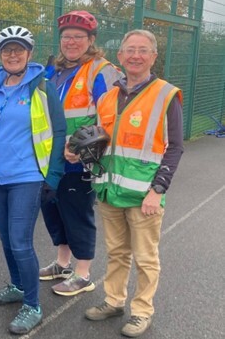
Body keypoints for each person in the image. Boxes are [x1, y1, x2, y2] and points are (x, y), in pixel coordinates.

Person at [80, 29, 184, 338]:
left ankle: (142, 312)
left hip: (144, 197)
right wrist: (80, 154)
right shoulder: (109, 97)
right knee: (116, 252)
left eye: (142, 50)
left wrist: (158, 190)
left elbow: (175, 146)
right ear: (121, 56)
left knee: (145, 257)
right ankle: (113, 300)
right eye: (129, 50)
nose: (135, 56)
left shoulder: (166, 95)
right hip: (109, 191)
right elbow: (102, 141)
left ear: (153, 57)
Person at [0, 26, 66, 335]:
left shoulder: (41, 88)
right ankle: (18, 285)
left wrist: (53, 175)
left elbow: (59, 132)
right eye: (7, 49)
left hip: (26, 177)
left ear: (29, 53)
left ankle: (32, 305)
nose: (13, 54)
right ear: (0, 55)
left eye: (19, 49)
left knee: (21, 242)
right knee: (6, 239)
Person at [39, 10, 123, 296]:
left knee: (77, 214)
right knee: (54, 212)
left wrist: (79, 149)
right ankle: (63, 263)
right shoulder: (52, 70)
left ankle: (83, 273)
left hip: (79, 161)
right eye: (66, 37)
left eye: (78, 37)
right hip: (50, 160)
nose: (71, 42)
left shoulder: (100, 70)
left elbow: (110, 117)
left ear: (91, 40)